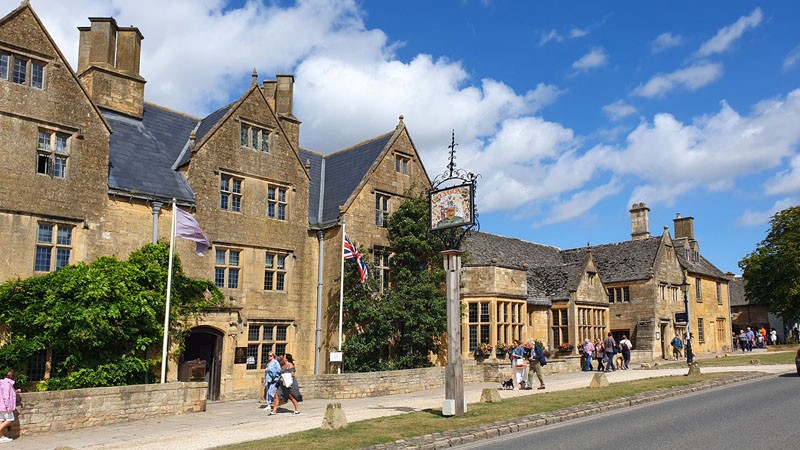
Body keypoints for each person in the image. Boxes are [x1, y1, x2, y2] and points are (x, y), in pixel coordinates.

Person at [0, 370, 21, 443]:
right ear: (14, 377)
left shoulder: (3, 382)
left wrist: (15, 391)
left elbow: (6, 393)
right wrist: (8, 407)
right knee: (10, 419)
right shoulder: (8, 384)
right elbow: (6, 396)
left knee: (1, 420)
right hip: (5, 406)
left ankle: (1, 437)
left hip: (1, 405)